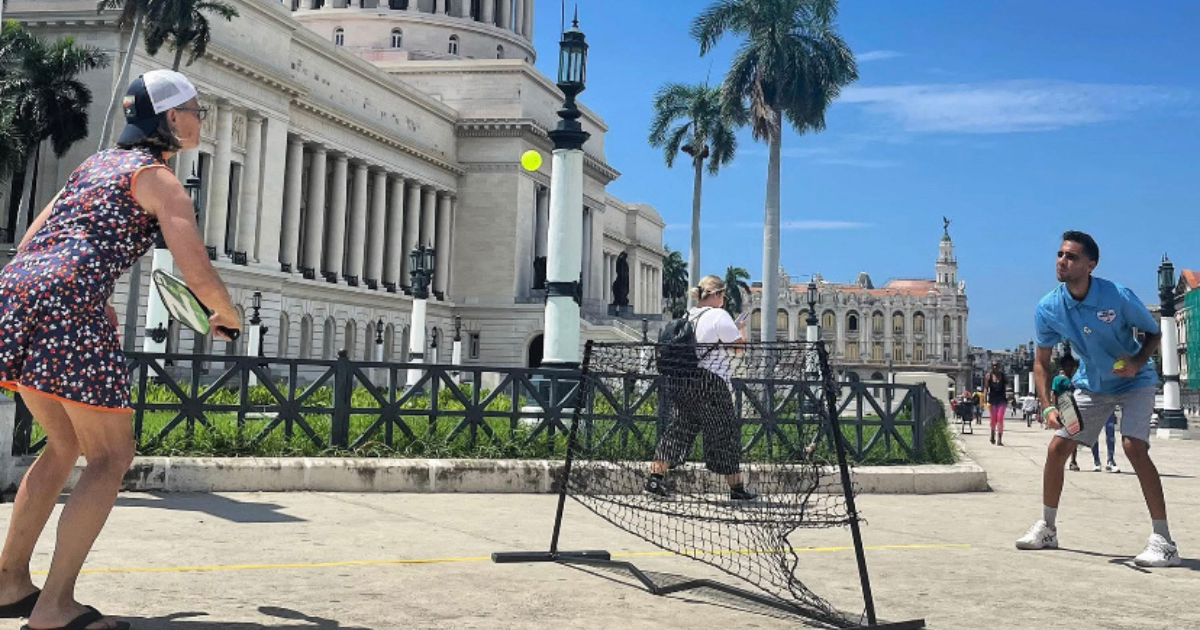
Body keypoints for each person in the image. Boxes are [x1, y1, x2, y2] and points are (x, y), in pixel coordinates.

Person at [0, 70, 240, 629]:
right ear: (171, 118)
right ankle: (56, 608)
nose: (200, 119)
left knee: (61, 445)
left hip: (18, 293)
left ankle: (9, 583)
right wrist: (225, 315)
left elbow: (35, 240)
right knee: (110, 457)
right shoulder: (157, 178)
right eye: (196, 110)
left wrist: (80, 290)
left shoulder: (94, 165)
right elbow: (195, 269)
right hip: (68, 303)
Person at [1016, 231, 1178, 567]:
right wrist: (1047, 405)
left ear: (1090, 264)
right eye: (1060, 254)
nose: (1062, 261)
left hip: (1135, 381)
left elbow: (1154, 332)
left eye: (1071, 256)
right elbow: (1041, 362)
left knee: (1133, 445)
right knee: (1057, 448)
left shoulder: (1116, 296)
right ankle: (1047, 528)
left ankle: (1163, 541)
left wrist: (1136, 362)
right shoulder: (1049, 307)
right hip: (1090, 385)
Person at [645, 275, 754, 501]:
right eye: (722, 294)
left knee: (680, 429)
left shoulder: (688, 316)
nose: (724, 299)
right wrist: (740, 329)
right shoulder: (719, 316)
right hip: (710, 382)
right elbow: (737, 349)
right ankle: (737, 489)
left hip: (683, 380)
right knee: (723, 433)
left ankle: (655, 479)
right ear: (715, 295)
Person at [985, 361, 1008, 445]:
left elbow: (1006, 387)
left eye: (996, 366)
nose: (995, 367)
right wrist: (984, 398)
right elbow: (986, 388)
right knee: (993, 419)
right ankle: (992, 435)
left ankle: (999, 439)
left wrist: (1009, 396)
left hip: (1001, 399)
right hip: (992, 400)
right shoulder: (988, 376)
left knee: (1000, 418)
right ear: (991, 366)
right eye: (993, 365)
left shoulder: (1003, 376)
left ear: (999, 366)